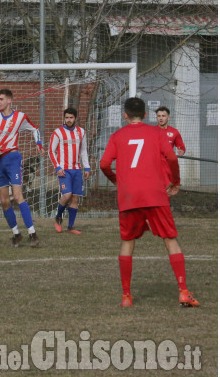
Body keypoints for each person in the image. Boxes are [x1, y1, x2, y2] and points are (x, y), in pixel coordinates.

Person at [100, 97, 199, 308]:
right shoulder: (157, 133)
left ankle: (126, 296)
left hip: (129, 196)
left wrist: (116, 180)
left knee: (128, 242)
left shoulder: (117, 136)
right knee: (170, 239)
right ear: (145, 115)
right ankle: (183, 292)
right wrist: (175, 182)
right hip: (155, 194)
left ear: (125, 115)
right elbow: (172, 158)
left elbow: (104, 163)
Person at [0, 89, 45, 248]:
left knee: (18, 196)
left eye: (1, 99)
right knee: (5, 201)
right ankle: (16, 234)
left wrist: (38, 144)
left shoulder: (20, 117)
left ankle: (32, 233)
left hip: (13, 158)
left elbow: (35, 129)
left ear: (9, 101)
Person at [48, 107, 91, 234]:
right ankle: (58, 216)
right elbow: (51, 151)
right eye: (66, 117)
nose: (69, 120)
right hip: (64, 170)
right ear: (64, 118)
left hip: (77, 170)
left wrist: (87, 167)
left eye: (71, 118)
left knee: (75, 199)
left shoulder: (81, 132)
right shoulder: (58, 132)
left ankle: (70, 227)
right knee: (67, 195)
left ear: (75, 118)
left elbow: (83, 151)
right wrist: (58, 167)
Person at [155, 106, 186, 187]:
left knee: (167, 189)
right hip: (155, 165)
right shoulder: (152, 131)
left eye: (163, 116)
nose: (161, 118)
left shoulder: (174, 132)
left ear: (168, 118)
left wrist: (181, 150)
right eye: (159, 116)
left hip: (168, 165)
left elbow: (181, 146)